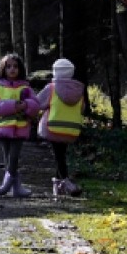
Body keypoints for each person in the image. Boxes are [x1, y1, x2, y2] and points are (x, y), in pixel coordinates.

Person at [0, 53, 40, 197]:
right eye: (8, 67)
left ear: (20, 69)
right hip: (3, 127)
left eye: (15, 66)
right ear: (3, 69)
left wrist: (26, 105)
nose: (12, 69)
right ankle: (16, 187)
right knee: (7, 156)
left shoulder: (26, 88)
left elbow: (35, 106)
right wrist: (13, 106)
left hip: (20, 127)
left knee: (14, 157)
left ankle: (6, 185)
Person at [34, 57, 86, 197]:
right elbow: (82, 109)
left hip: (52, 127)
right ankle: (58, 187)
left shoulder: (51, 88)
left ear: (55, 72)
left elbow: (37, 104)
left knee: (59, 156)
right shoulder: (79, 91)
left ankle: (66, 181)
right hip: (71, 129)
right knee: (61, 153)